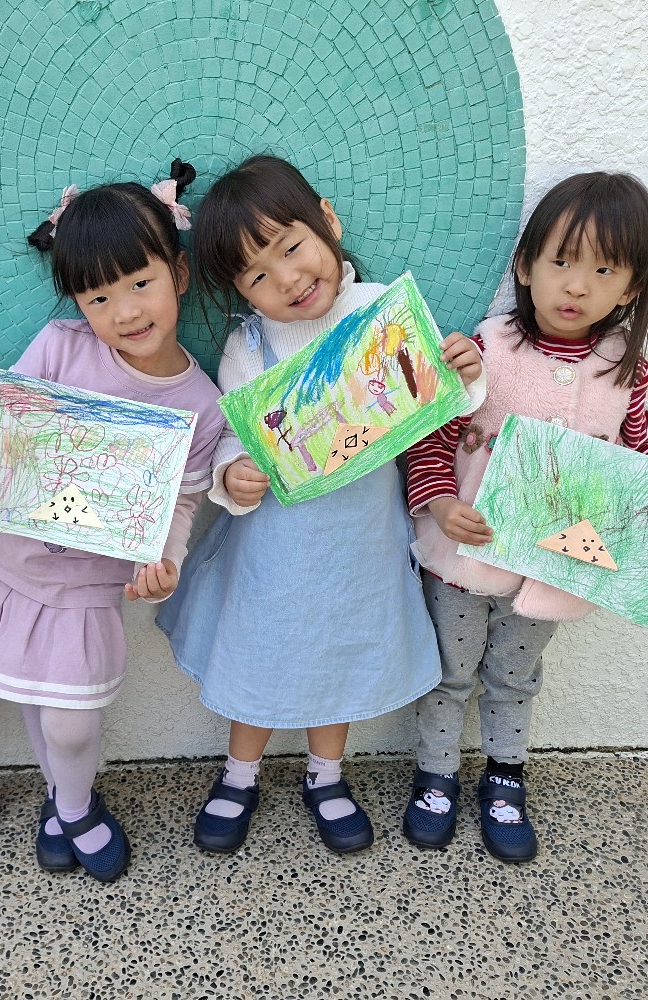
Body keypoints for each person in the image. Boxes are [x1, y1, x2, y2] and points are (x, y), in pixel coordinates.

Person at [403, 172, 648, 862]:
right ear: (525, 266)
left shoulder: (622, 366)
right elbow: (431, 438)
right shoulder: (487, 348)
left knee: (514, 676)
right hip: (466, 553)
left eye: (602, 270)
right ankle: (435, 776)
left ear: (629, 288)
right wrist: (441, 504)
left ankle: (505, 778)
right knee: (448, 673)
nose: (575, 285)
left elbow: (635, 453)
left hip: (556, 561)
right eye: (561, 261)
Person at [157, 154, 485, 855]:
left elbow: (435, 408)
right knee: (263, 650)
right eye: (256, 276)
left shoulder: (381, 314)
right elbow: (233, 437)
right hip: (275, 546)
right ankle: (239, 773)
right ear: (238, 292)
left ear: (327, 221)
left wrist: (463, 373)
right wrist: (232, 475)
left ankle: (326, 775)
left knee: (339, 651)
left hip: (360, 542)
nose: (286, 279)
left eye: (291, 247)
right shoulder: (249, 345)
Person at [0, 161, 225, 882]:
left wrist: (165, 560)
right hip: (10, 563)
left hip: (88, 585)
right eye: (99, 296)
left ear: (179, 274)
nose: (125, 312)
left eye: (140, 283)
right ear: (78, 304)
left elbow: (180, 503)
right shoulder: (61, 347)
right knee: (37, 697)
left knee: (71, 715)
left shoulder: (201, 403)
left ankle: (75, 804)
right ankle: (64, 803)